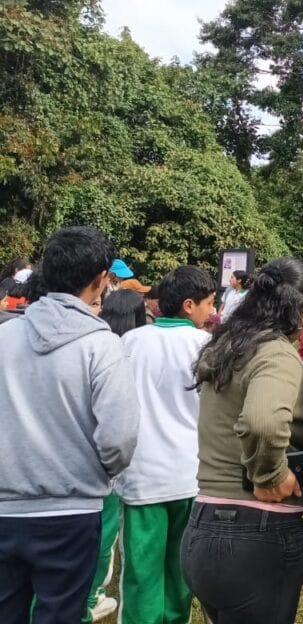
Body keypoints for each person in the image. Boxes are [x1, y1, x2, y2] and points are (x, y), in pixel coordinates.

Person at [0, 226, 140, 623]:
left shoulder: (5, 336)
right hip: (71, 511)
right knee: (61, 614)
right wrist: (99, 474)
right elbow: (119, 437)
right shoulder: (102, 345)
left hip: (5, 508)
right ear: (100, 281)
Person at [180, 258, 303, 624]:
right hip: (255, 536)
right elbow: (262, 421)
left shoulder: (227, 346)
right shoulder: (274, 352)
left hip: (203, 528)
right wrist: (270, 475)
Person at [116, 266, 217, 624]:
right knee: (180, 571)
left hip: (142, 476)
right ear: (189, 305)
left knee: (142, 573)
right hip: (190, 474)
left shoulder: (131, 341)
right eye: (208, 304)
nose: (212, 311)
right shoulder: (206, 347)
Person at [83, 289, 148, 622]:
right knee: (107, 536)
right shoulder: (125, 349)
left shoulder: (94, 345)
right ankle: (92, 595)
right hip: (123, 461)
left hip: (87, 462)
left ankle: (92, 593)